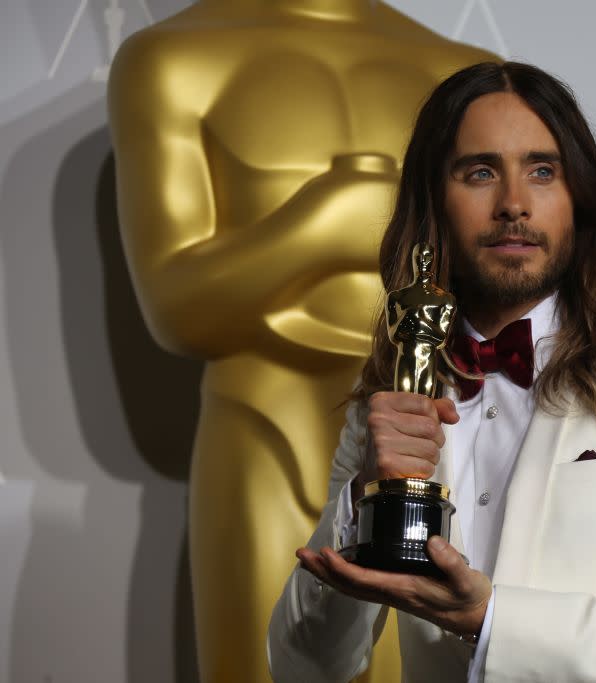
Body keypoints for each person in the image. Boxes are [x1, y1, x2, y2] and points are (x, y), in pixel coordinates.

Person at [267, 61, 596, 682]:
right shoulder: (393, 397)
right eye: (480, 172)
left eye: (542, 171)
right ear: (435, 200)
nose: (513, 204)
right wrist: (362, 500)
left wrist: (491, 619)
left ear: (577, 197)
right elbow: (305, 668)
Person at [107, 1, 495, 680]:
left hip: (438, 446)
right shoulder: (173, 60)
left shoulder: (462, 74)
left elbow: (504, 290)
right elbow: (177, 308)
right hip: (264, 436)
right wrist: (327, 218)